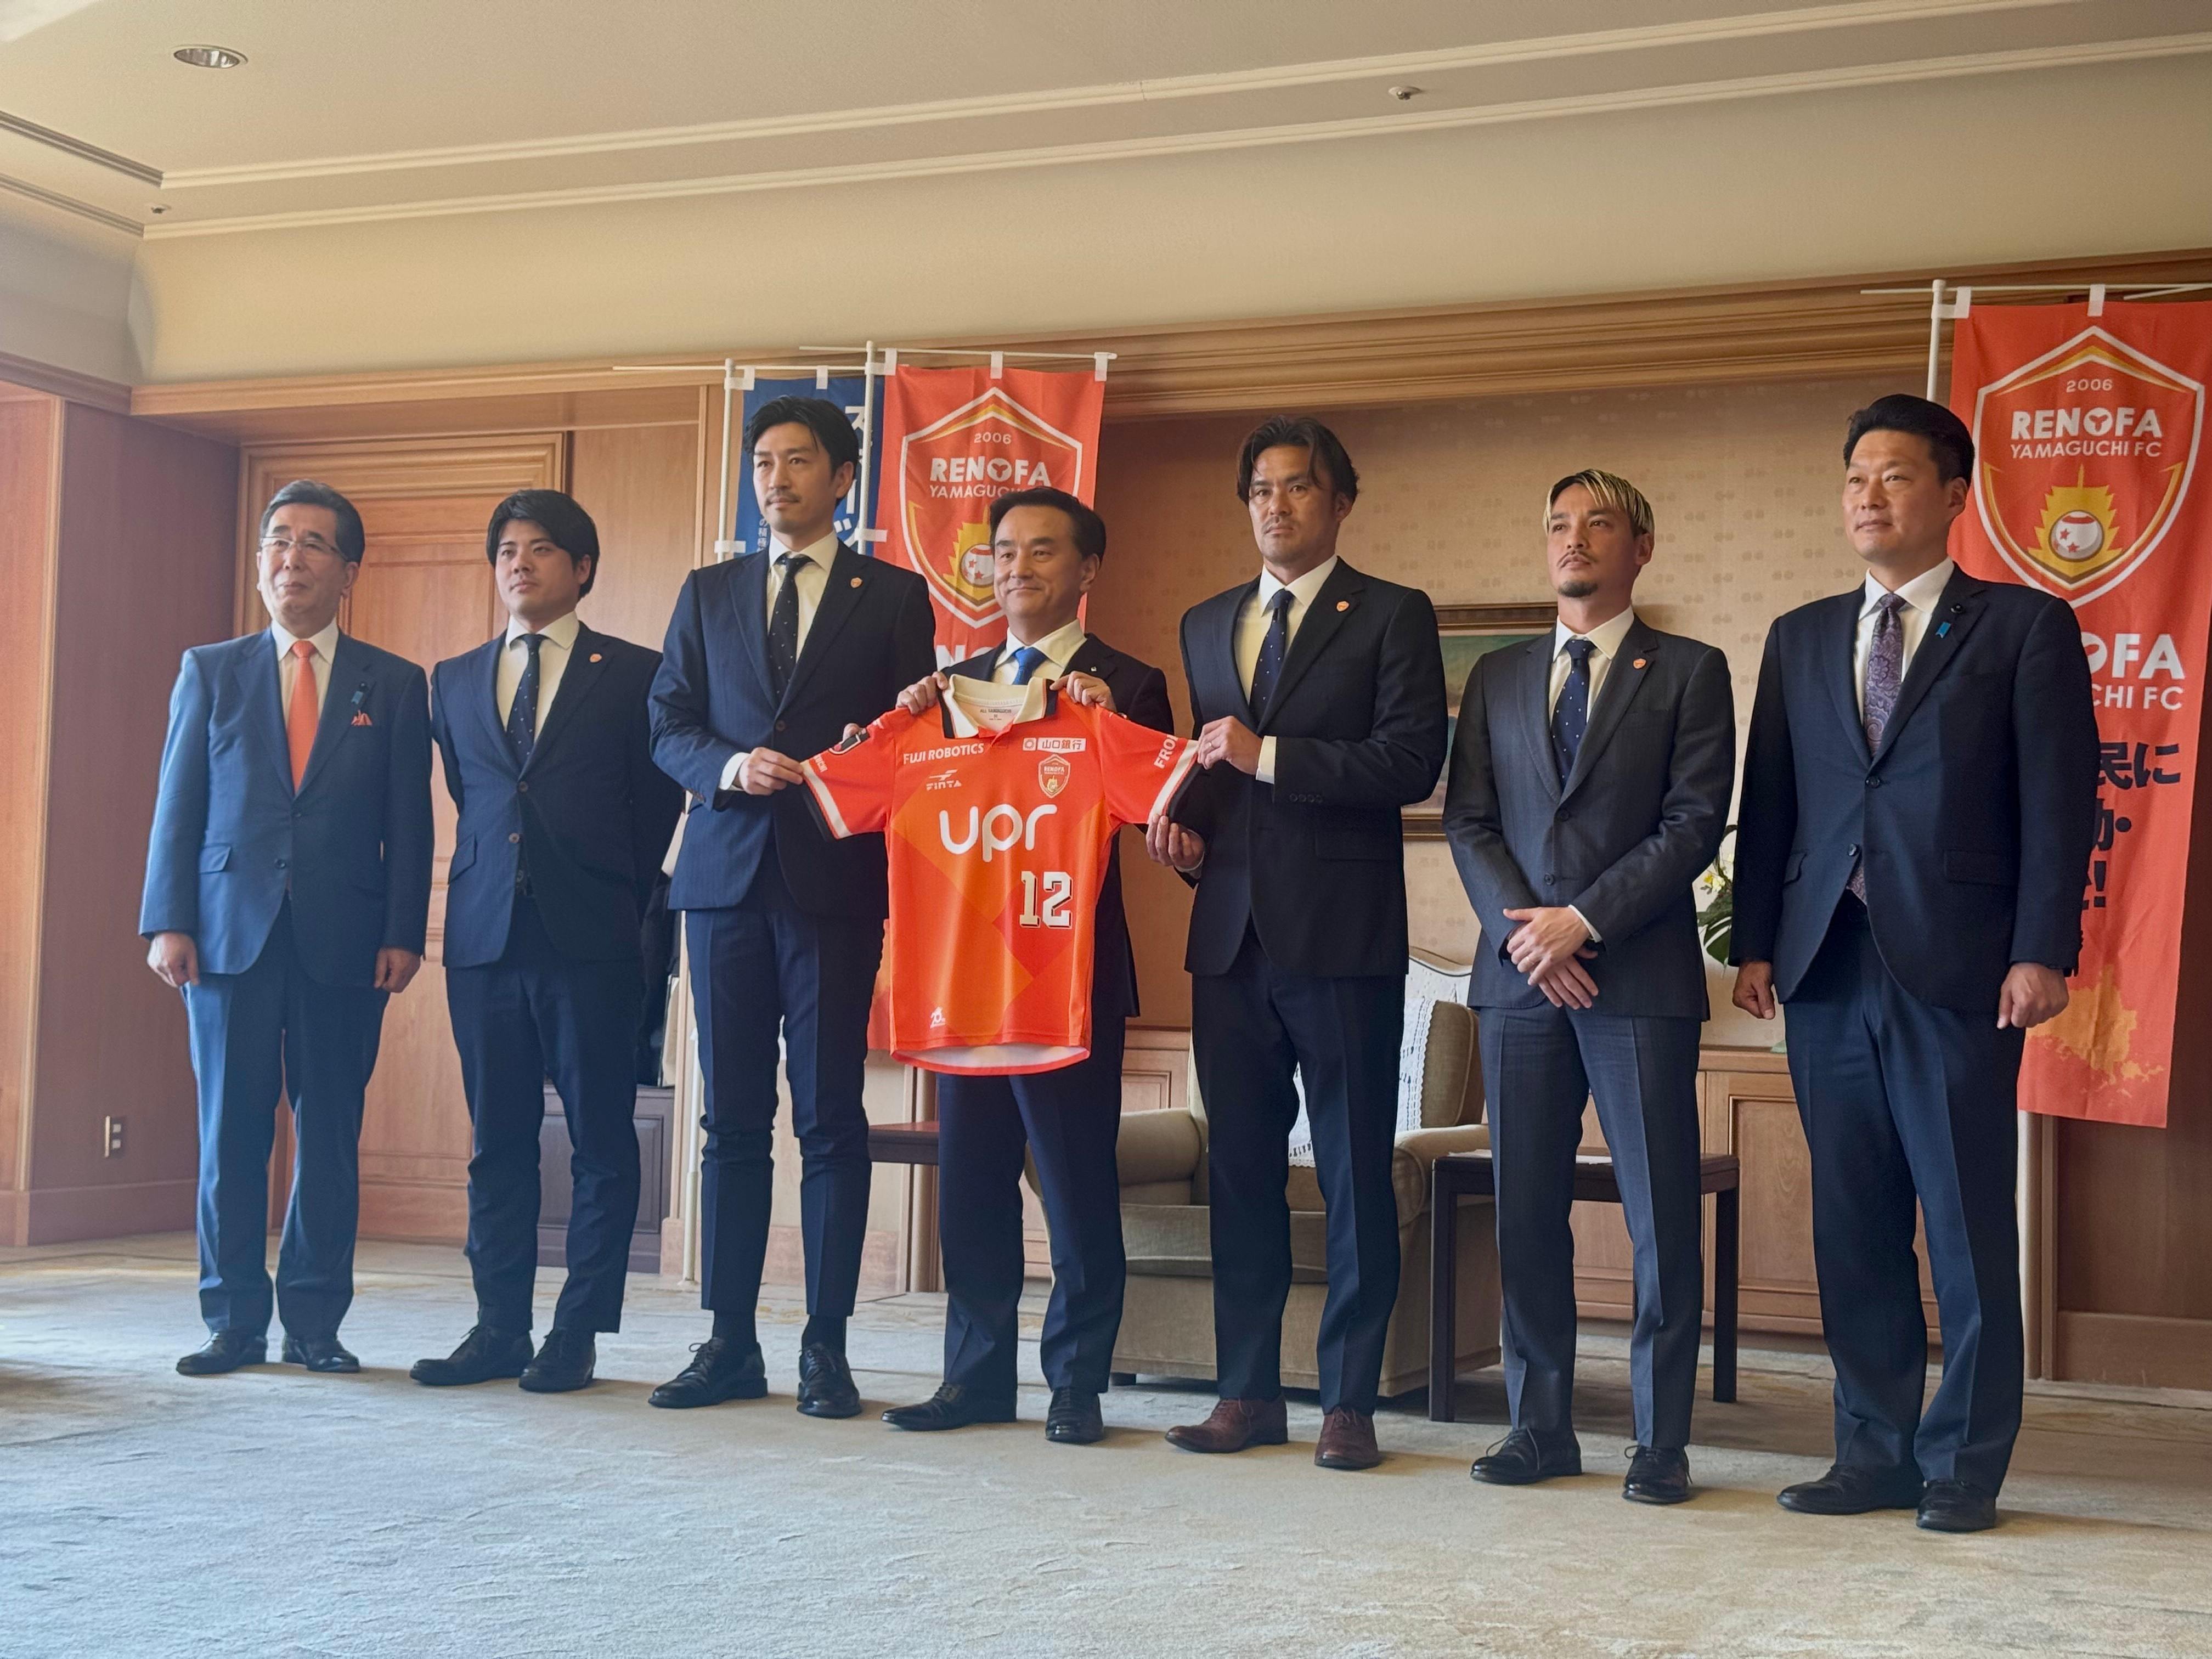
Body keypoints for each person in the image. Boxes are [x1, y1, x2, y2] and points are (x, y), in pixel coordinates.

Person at [1731, 394, 2098, 1533]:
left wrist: (2041, 949)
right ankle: (1873, 1452)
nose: (1869, 497)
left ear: (1953, 495)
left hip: (1961, 966)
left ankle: (1964, 1467)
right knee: (1852, 1223)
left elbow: (2060, 802)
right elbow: (1773, 800)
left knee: (1966, 1223)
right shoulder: (1799, 636)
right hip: (1827, 965)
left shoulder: (2023, 626)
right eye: (1855, 479)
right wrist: (1755, 941)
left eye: (1893, 477)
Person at [1148, 415, 1446, 1471]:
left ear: (1341, 502)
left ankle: (1348, 1403)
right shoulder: (1205, 623)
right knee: (1239, 1173)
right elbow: (1215, 778)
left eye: (1298, 487)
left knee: (1356, 1170)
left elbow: (1410, 763)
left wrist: (1268, 753)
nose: (1275, 506)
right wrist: (1186, 841)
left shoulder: (1393, 614)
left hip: (1344, 935)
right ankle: (1246, 1394)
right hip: (1229, 938)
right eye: (1260, 490)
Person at [1443, 470, 1734, 1504]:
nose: (1573, 539)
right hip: (1519, 983)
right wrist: (1529, 935)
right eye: (1559, 524)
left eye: (1598, 524)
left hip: (1639, 977)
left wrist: (1585, 921)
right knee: (1526, 1211)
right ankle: (1540, 1427)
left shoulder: (1690, 670)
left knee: (1660, 1214)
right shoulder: (1500, 676)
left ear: (1640, 548)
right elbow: (1469, 821)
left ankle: (1660, 1441)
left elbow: (1693, 824)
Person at [649, 396, 936, 1415]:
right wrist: (731, 768)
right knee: (730, 1120)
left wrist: (865, 754)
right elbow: (668, 724)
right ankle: (729, 1341)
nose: (776, 479)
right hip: (722, 884)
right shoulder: (708, 590)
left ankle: (827, 1346)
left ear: (844, 478)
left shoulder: (894, 596)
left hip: (833, 883)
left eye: (799, 461)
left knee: (829, 1118)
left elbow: (918, 742)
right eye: (764, 462)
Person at [875, 487, 1173, 1446]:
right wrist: (894, 724)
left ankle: (1077, 1385)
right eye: (1004, 552)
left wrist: (1114, 720)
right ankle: (973, 1380)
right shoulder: (946, 688)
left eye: (1042, 552)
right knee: (971, 1186)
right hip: (965, 983)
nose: (1017, 569)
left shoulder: (1131, 681)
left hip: (1067, 984)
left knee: (1076, 1186)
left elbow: (1163, 795)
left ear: (1087, 571)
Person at [142, 479, 433, 1376]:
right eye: (278, 540)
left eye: (313, 543)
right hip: (225, 936)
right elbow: (178, 805)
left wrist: (404, 931)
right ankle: (233, 1321)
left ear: (349, 571)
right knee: (230, 1133)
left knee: (330, 1133)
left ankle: (314, 1323)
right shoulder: (211, 670)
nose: (290, 558)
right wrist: (167, 921)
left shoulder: (394, 683)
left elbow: (410, 821)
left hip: (347, 939)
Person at [412, 491, 684, 1394]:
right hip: (485, 937)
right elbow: (475, 796)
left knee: (601, 1141)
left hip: (592, 935)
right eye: (505, 551)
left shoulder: (635, 673)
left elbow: (655, 809)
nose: (518, 564)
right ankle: (498, 1328)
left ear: (582, 568)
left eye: (538, 549)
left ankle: (576, 1333)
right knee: (497, 1143)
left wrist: (611, 894)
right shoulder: (454, 677)